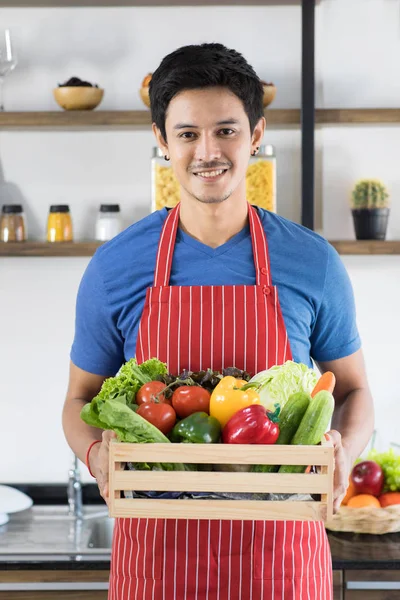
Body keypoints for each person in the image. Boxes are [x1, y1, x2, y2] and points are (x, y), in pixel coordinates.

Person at [62, 42, 374, 600]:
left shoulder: (312, 261)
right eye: (187, 134)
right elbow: (77, 400)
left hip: (280, 563)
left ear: (256, 134)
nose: (208, 151)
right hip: (156, 564)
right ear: (162, 141)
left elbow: (352, 390)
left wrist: (343, 454)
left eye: (226, 130)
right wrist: (97, 456)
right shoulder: (116, 266)